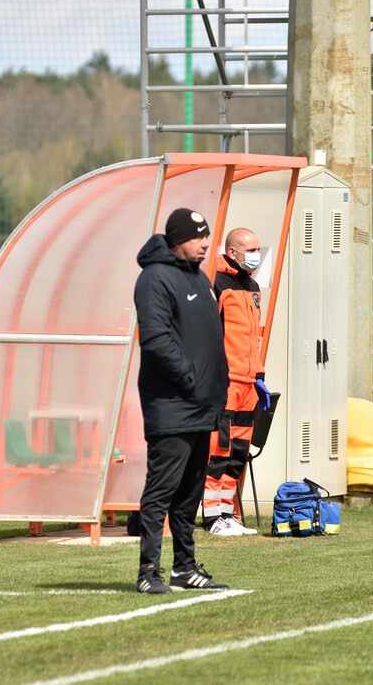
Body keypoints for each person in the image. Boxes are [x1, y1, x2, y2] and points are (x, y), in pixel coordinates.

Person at [132, 208, 230, 594]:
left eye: (206, 236)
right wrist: (190, 379)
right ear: (177, 239)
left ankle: (184, 568)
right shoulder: (154, 278)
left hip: (201, 406)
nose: (205, 243)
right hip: (172, 405)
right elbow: (156, 340)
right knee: (161, 491)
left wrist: (213, 389)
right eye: (197, 237)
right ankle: (148, 572)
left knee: (189, 495)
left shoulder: (199, 277)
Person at [203, 227, 267, 536]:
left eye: (257, 249)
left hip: (249, 385)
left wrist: (260, 376)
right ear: (232, 252)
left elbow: (254, 336)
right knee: (219, 450)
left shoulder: (252, 285)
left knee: (239, 452)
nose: (256, 255)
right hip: (225, 383)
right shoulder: (214, 282)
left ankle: (227, 514)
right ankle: (211, 517)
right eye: (250, 250)